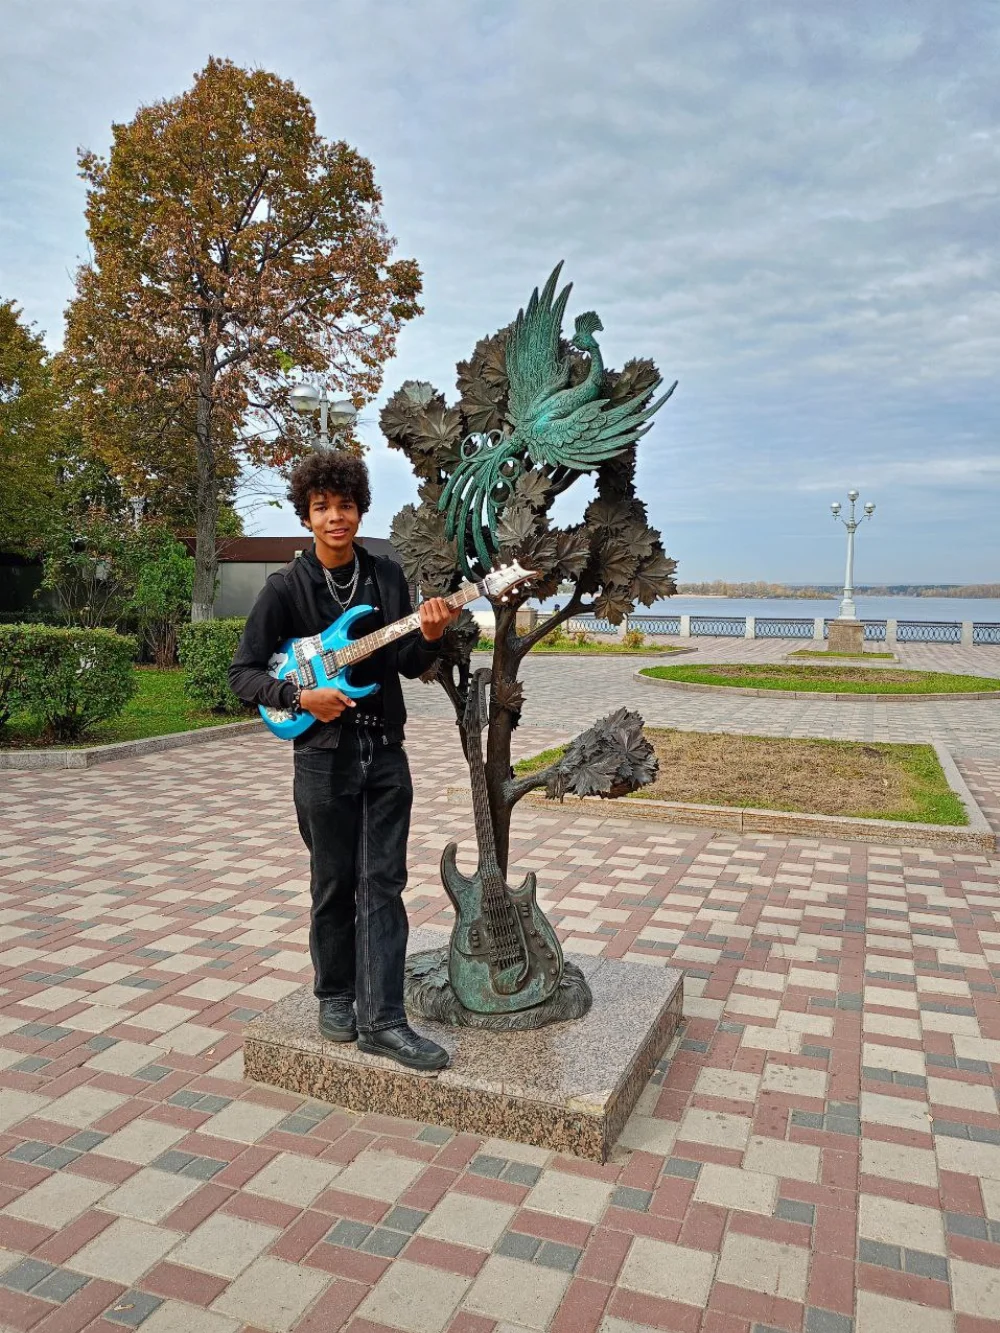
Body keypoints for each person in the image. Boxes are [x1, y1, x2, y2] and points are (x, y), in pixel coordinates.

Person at [229, 452, 458, 1071]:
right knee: (333, 882)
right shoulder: (286, 588)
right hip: (321, 757)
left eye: (346, 505)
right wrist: (299, 697)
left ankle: (385, 1020)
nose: (336, 517)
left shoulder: (387, 577)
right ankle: (334, 994)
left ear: (360, 510)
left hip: (384, 750)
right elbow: (243, 674)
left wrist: (430, 634)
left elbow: (407, 664)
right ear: (307, 516)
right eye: (322, 507)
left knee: (384, 882)